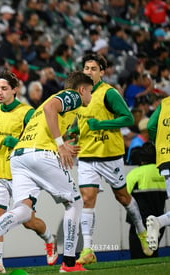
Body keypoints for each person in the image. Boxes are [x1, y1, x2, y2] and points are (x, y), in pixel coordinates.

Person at [0, 71, 93, 273]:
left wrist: (62, 142)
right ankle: (69, 264)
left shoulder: (34, 110)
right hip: (40, 155)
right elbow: (49, 108)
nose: (90, 96)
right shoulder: (73, 96)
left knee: (25, 210)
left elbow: (45, 121)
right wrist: (60, 144)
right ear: (81, 89)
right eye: (90, 91)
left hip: (19, 157)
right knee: (75, 202)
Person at [0, 70, 57, 274]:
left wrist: (17, 143)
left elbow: (40, 140)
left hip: (22, 173)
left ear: (15, 89)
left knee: (28, 221)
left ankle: (49, 239)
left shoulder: (28, 112)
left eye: (4, 89)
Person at [76, 53, 153, 265]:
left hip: (110, 156)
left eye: (93, 68)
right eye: (86, 68)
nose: (89, 71)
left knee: (123, 197)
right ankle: (88, 249)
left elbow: (128, 118)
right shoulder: (80, 93)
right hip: (87, 155)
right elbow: (81, 121)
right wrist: (73, 132)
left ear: (102, 72)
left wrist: (100, 125)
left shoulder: (108, 93)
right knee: (87, 199)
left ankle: (141, 231)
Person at [126, 142, 166, 259]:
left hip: (139, 224)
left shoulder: (135, 174)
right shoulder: (163, 173)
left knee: (137, 257)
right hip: (159, 221)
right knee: (153, 256)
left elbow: (124, 196)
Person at [146, 95, 170, 251]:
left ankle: (159, 222)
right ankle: (159, 221)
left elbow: (150, 126)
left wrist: (159, 143)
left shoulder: (165, 103)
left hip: (165, 158)